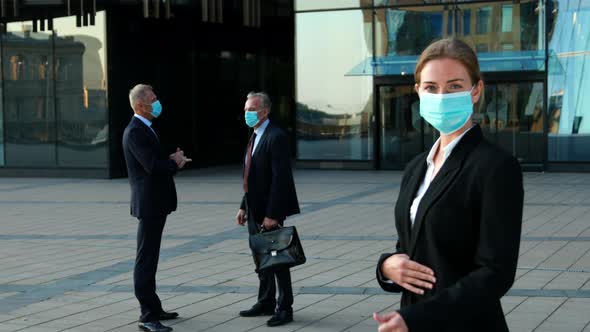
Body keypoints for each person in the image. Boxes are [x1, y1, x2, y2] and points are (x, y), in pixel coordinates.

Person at [373, 38, 524, 332]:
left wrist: (417, 319)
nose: (442, 96)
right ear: (418, 91)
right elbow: (410, 247)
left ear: (476, 91)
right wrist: (386, 266)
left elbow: (496, 273)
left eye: (454, 86)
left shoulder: (496, 166)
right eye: (431, 87)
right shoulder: (417, 167)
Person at [123, 84, 191, 332]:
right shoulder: (135, 131)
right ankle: (147, 316)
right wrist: (175, 163)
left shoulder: (146, 128)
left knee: (151, 257)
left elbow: (154, 162)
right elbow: (152, 166)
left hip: (156, 203)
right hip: (149, 204)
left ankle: (155, 306)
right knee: (146, 259)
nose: (157, 102)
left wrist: (171, 160)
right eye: (153, 99)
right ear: (141, 105)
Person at [235, 91, 300, 327]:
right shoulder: (255, 136)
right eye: (245, 109)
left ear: (264, 111)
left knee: (278, 259)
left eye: (251, 110)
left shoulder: (276, 136)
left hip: (270, 211)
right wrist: (244, 206)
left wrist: (273, 214)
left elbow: (279, 179)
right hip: (254, 208)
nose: (247, 114)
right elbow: (251, 175)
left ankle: (285, 307)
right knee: (261, 258)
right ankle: (265, 301)